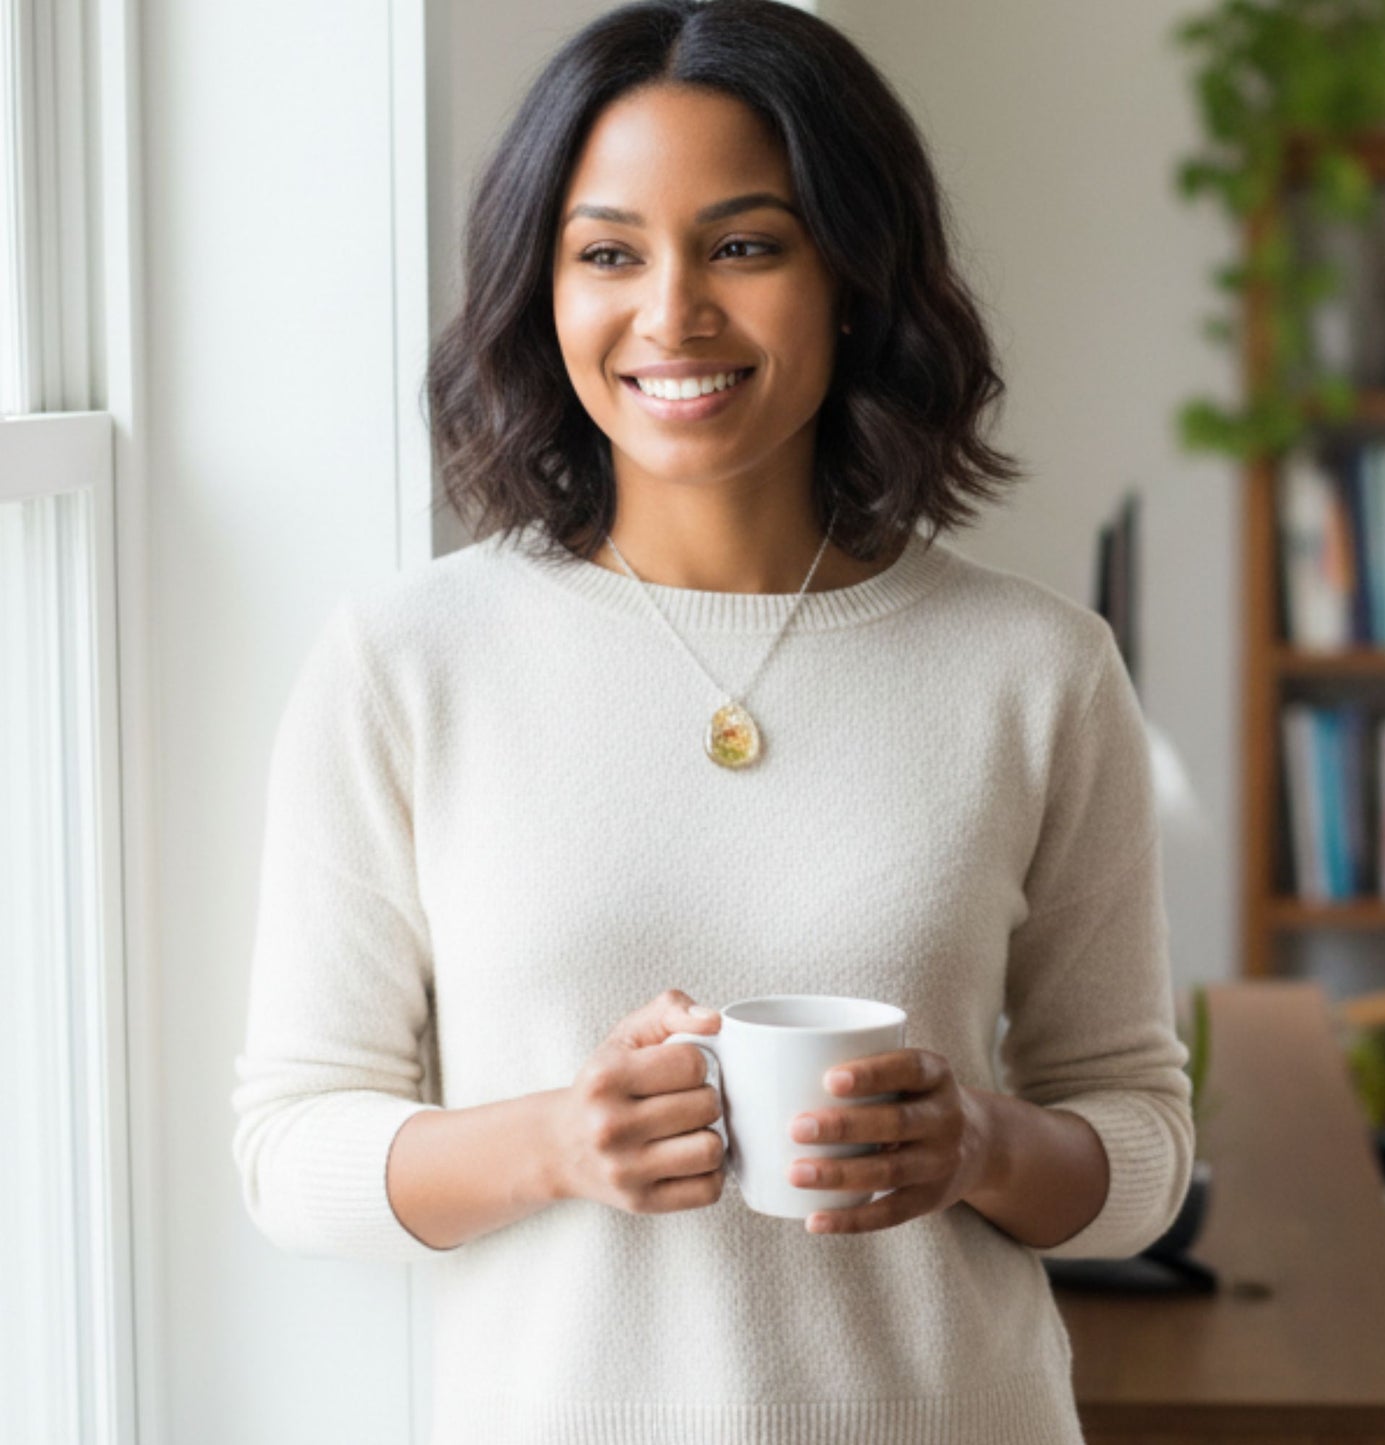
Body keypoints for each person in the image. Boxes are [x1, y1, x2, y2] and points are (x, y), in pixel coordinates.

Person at [231, 2, 1195, 1441]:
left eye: (745, 244)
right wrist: (557, 1141)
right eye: (607, 251)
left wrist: (978, 1143)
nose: (672, 312)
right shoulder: (405, 662)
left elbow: (1141, 1142)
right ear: (539, 288)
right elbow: (288, 1149)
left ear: (853, 278)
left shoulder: (1036, 668)